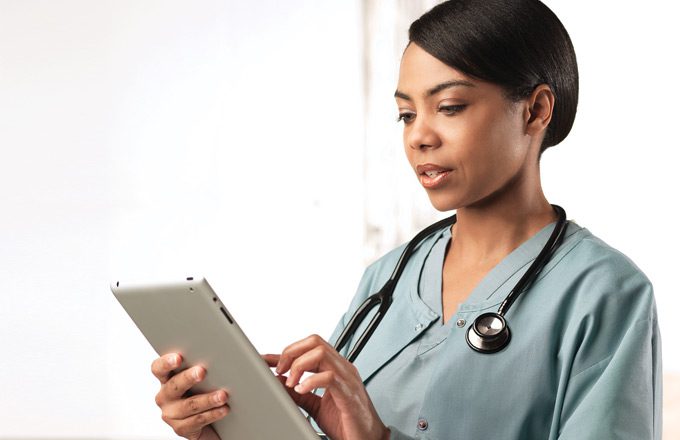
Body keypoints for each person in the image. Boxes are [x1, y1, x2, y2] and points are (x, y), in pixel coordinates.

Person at [150, 0, 662, 438]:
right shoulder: (388, 280)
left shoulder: (604, 293)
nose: (419, 136)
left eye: (451, 106)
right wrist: (229, 426)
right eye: (407, 113)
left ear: (536, 111)